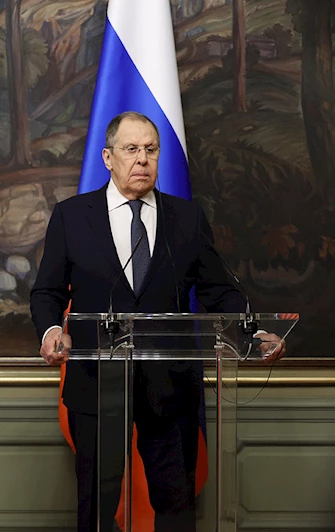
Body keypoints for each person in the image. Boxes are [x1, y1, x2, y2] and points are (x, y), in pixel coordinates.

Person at [29, 111, 286, 532]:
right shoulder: (72, 216)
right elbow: (47, 292)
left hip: (171, 386)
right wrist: (52, 331)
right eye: (131, 149)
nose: (142, 159)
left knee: (176, 506)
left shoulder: (186, 218)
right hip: (97, 385)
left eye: (151, 149)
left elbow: (220, 291)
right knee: (96, 507)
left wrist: (252, 332)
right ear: (108, 157)